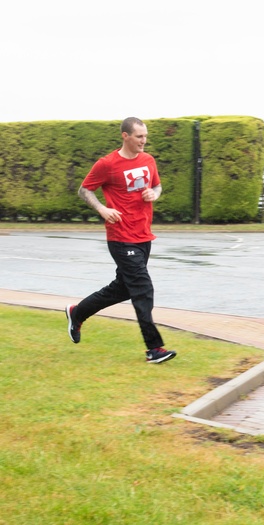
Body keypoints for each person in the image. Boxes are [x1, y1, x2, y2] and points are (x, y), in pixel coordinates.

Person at [66, 117, 176, 364]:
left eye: (145, 136)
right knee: (143, 288)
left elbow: (157, 187)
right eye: (139, 137)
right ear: (125, 136)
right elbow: (85, 190)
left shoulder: (148, 161)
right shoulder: (107, 164)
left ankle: (78, 313)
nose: (143, 141)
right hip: (121, 236)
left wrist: (153, 194)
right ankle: (154, 349)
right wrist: (103, 210)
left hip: (143, 235)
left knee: (123, 288)